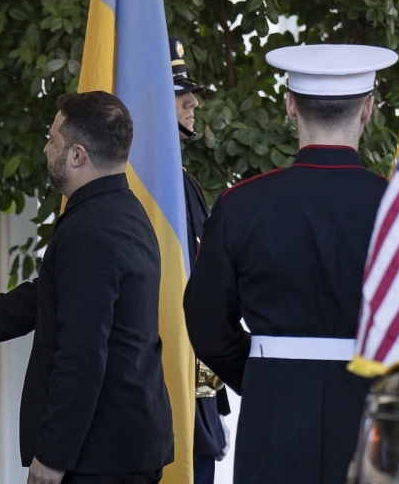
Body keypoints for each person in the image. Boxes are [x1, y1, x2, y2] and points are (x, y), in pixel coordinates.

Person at [183, 44, 398, 484]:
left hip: (273, 411)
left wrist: (263, 372)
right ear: (368, 110)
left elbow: (206, 323)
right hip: (375, 411)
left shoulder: (241, 205)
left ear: (290, 106)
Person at [0, 91, 174, 484]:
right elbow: (48, 296)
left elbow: (82, 352)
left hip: (98, 455)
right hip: (125, 443)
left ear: (77, 155)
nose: (45, 148)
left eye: (52, 139)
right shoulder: (124, 209)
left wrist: (54, 454)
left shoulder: (89, 229)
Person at [169, 37, 230, 483]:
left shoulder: (184, 182)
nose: (194, 102)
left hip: (196, 383)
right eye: (179, 93)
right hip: (163, 388)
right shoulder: (142, 187)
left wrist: (209, 392)